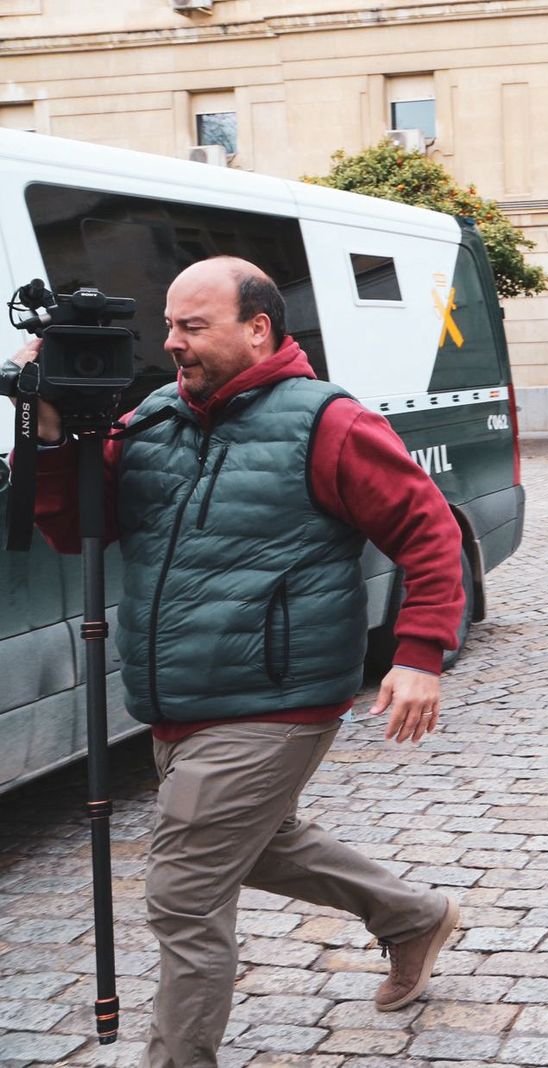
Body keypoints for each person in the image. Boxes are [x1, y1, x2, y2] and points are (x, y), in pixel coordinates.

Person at [15, 257, 465, 1068]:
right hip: (179, 696)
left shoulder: (329, 422)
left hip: (276, 698)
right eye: (169, 327)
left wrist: (419, 653)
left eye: (194, 327)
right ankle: (412, 917)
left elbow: (427, 530)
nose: (173, 343)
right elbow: (73, 528)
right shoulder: (152, 418)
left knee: (184, 894)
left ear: (258, 328)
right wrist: (49, 433)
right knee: (259, 843)